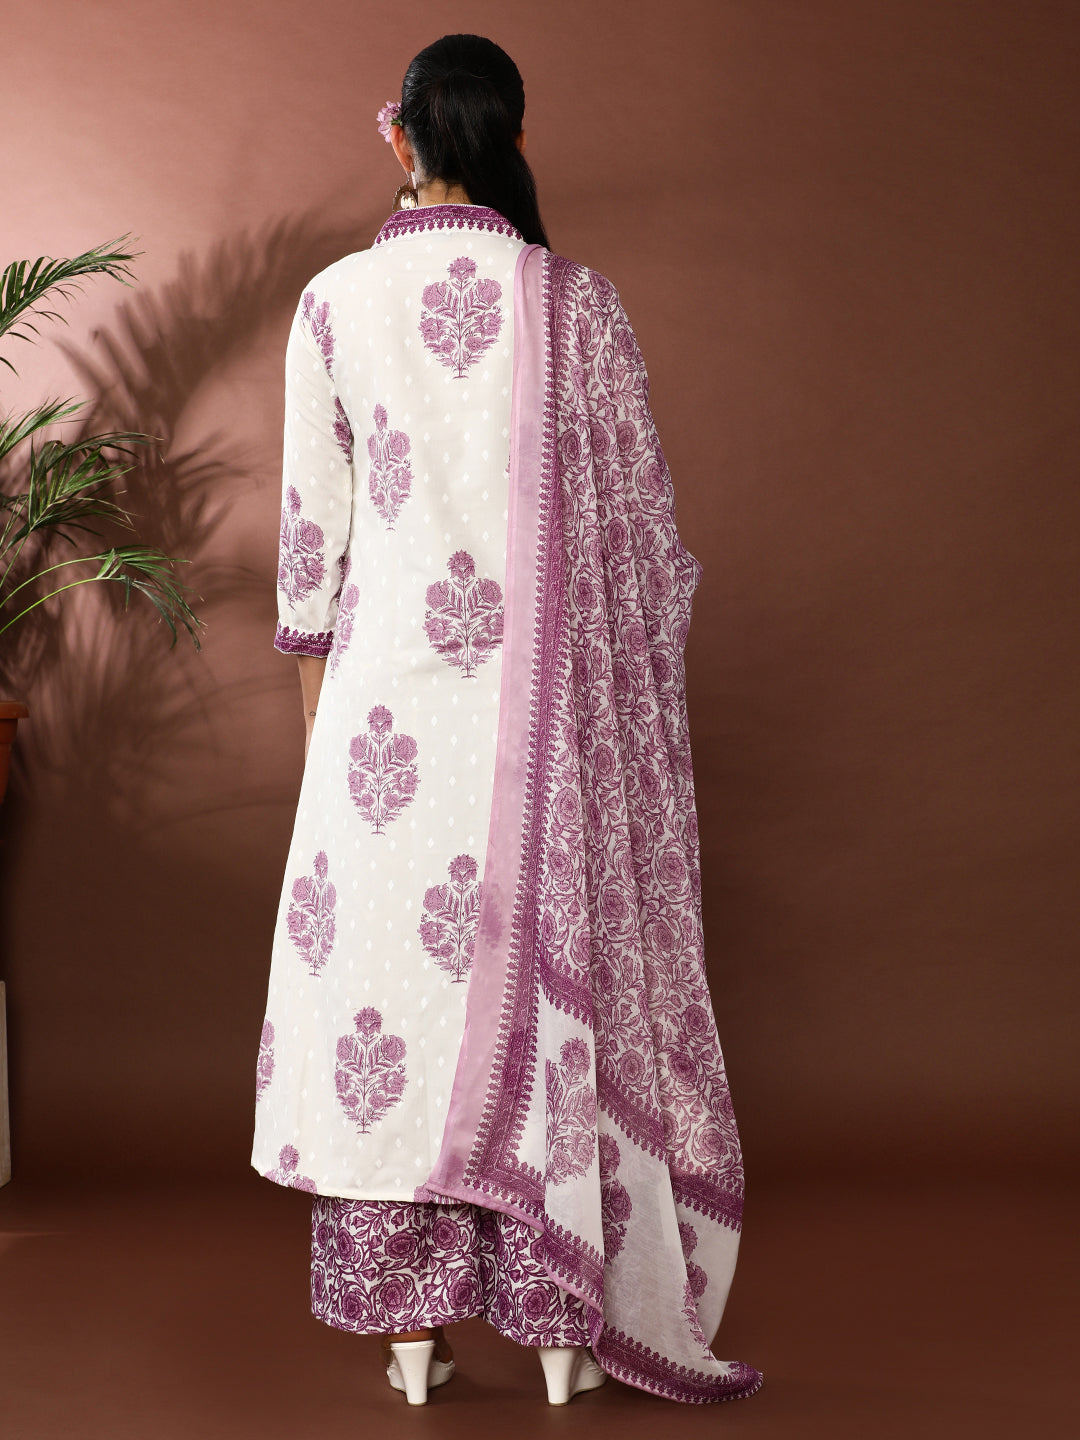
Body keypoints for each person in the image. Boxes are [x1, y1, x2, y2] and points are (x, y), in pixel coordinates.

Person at [251, 32, 763, 1408]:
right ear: (514, 143)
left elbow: (310, 553)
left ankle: (412, 1346)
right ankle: (556, 1332)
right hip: (541, 747)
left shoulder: (331, 303)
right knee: (535, 1017)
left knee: (389, 1022)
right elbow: (642, 556)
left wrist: (321, 734)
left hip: (377, 731)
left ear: (400, 138)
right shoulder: (576, 307)